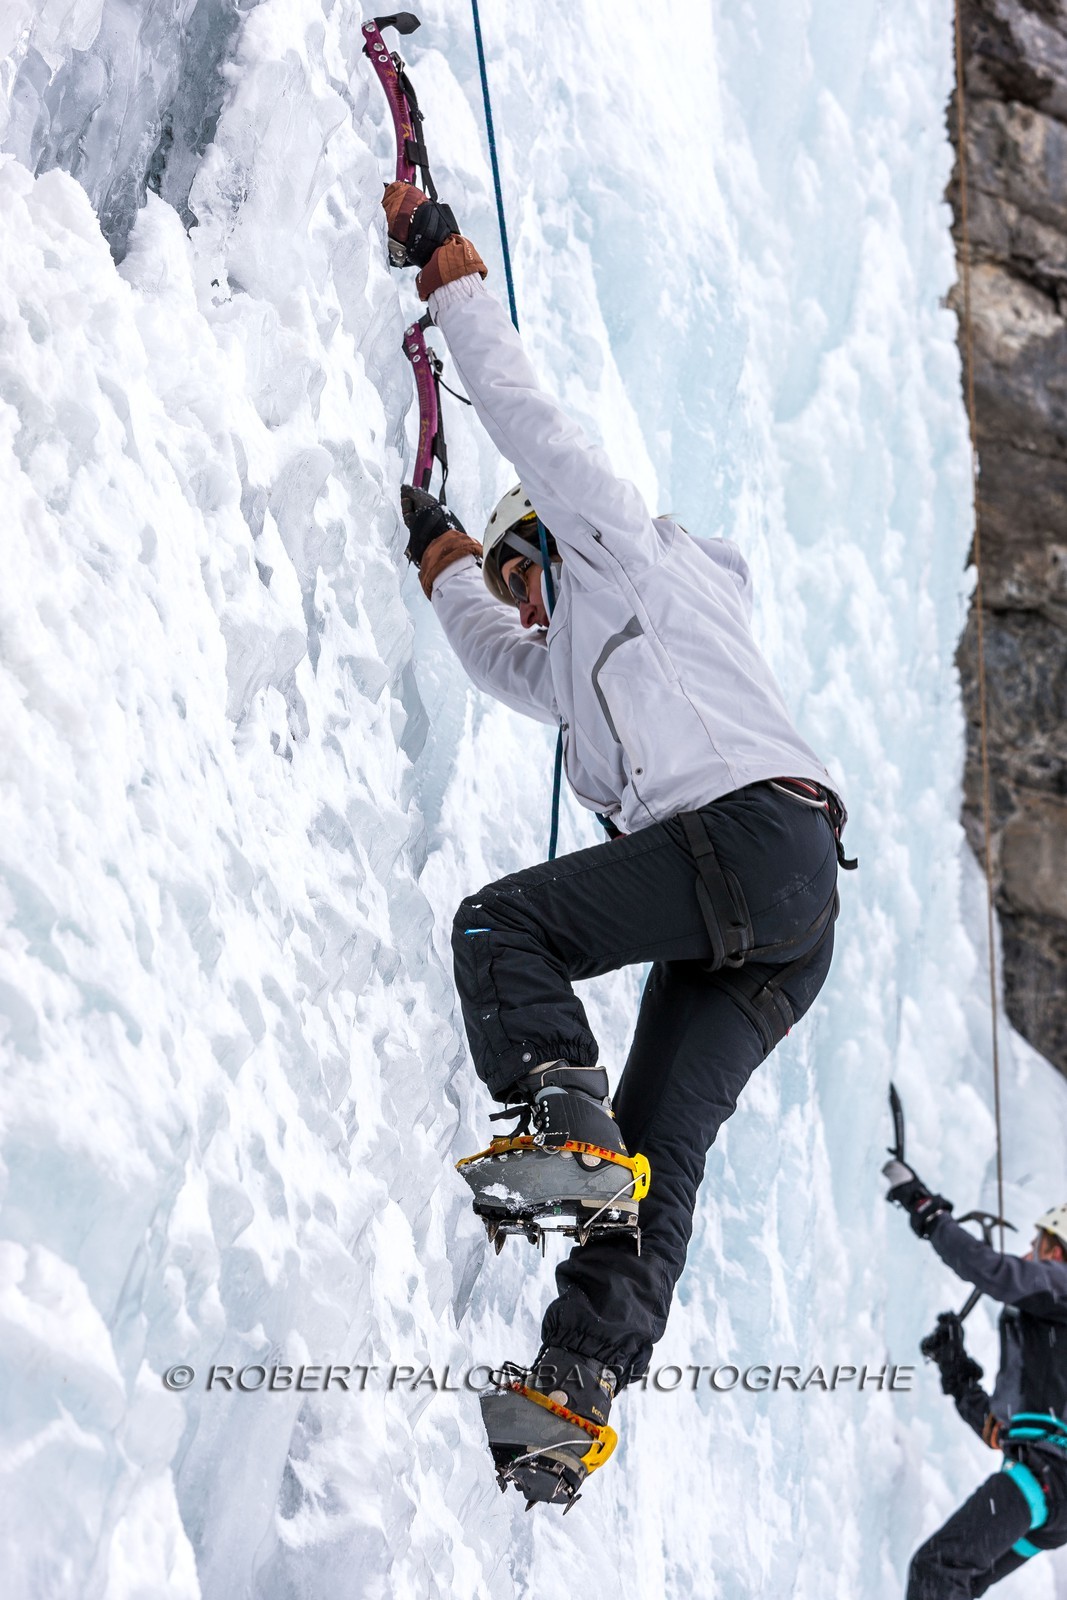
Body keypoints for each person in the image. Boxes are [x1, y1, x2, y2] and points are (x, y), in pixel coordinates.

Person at [383, 179, 852, 1508]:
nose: (526, 598)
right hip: (784, 927)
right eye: (517, 584)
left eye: (527, 570)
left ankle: (556, 1132)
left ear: (556, 543)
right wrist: (444, 566)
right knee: (659, 1149)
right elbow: (494, 661)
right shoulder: (563, 675)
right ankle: (564, 1410)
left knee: (500, 926)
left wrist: (447, 269)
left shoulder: (624, 554)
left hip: (755, 840)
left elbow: (529, 417)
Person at [884, 1165, 1067, 1596]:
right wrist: (956, 1367)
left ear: (1056, 1250)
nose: (1026, 1253)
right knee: (956, 1581)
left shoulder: (1063, 1285)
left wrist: (928, 1212)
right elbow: (998, 1430)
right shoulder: (1047, 1339)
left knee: (938, 1570)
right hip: (1049, 1485)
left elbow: (996, 1272)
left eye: (1034, 1243)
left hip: (1047, 1475)